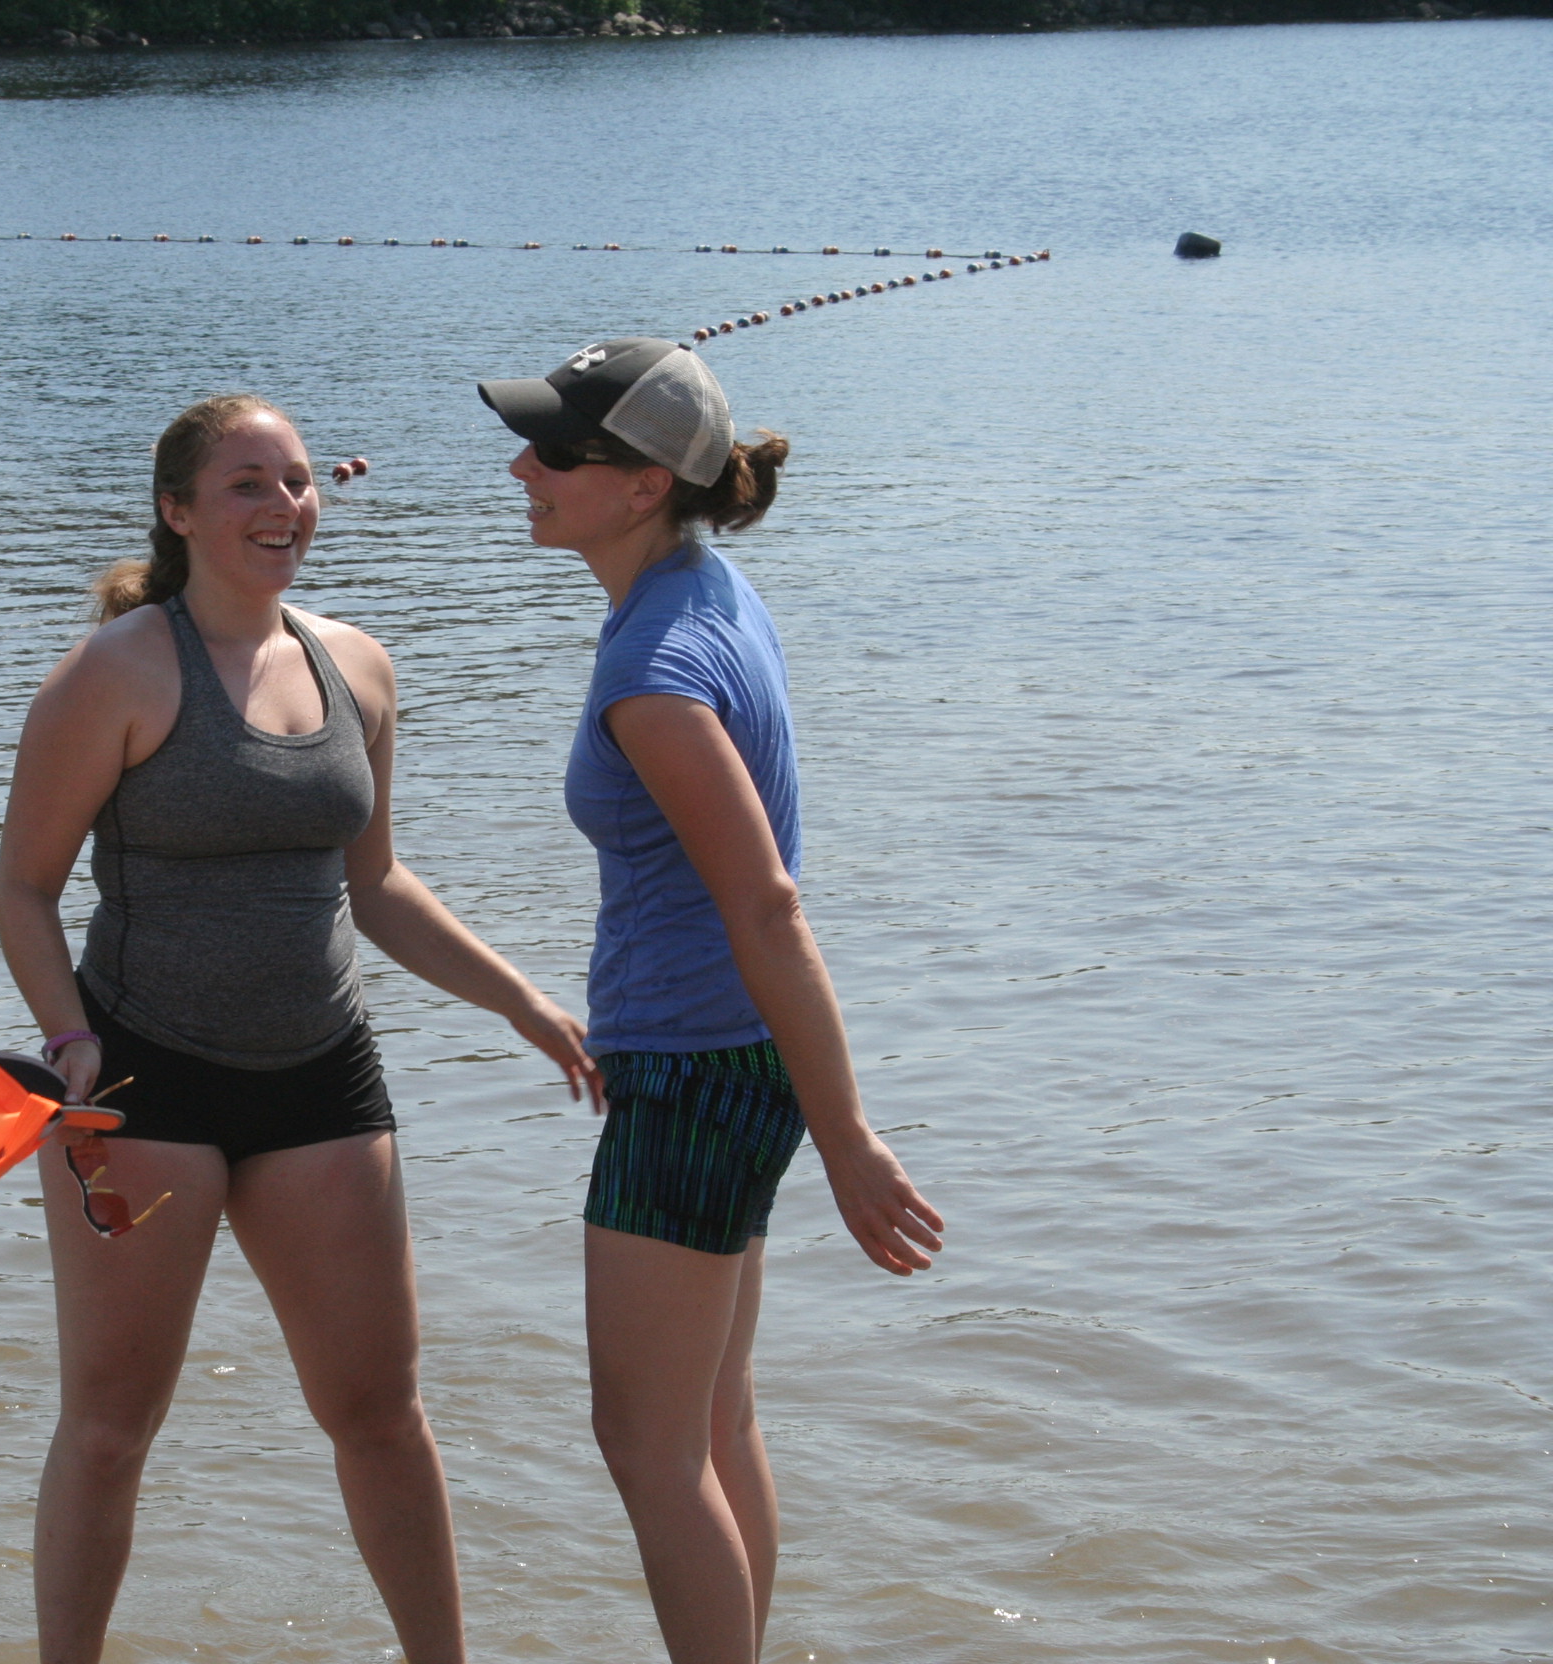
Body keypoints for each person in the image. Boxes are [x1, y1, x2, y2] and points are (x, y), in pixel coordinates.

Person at [0, 392, 599, 1664]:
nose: (286, 508)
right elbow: (26, 889)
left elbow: (376, 885)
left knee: (382, 1412)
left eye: (301, 482)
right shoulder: (114, 673)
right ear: (179, 512)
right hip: (140, 1077)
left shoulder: (356, 663)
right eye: (250, 486)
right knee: (110, 1424)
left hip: (323, 1077)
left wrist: (522, 998)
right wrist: (68, 1037)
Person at [475, 339, 946, 1664]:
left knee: (646, 1442)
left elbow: (768, 905)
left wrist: (850, 1137)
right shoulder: (703, 588)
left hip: (695, 1073)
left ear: (638, 488)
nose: (522, 468)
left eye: (555, 454)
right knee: (712, 1422)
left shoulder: (655, 675)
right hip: (728, 1062)